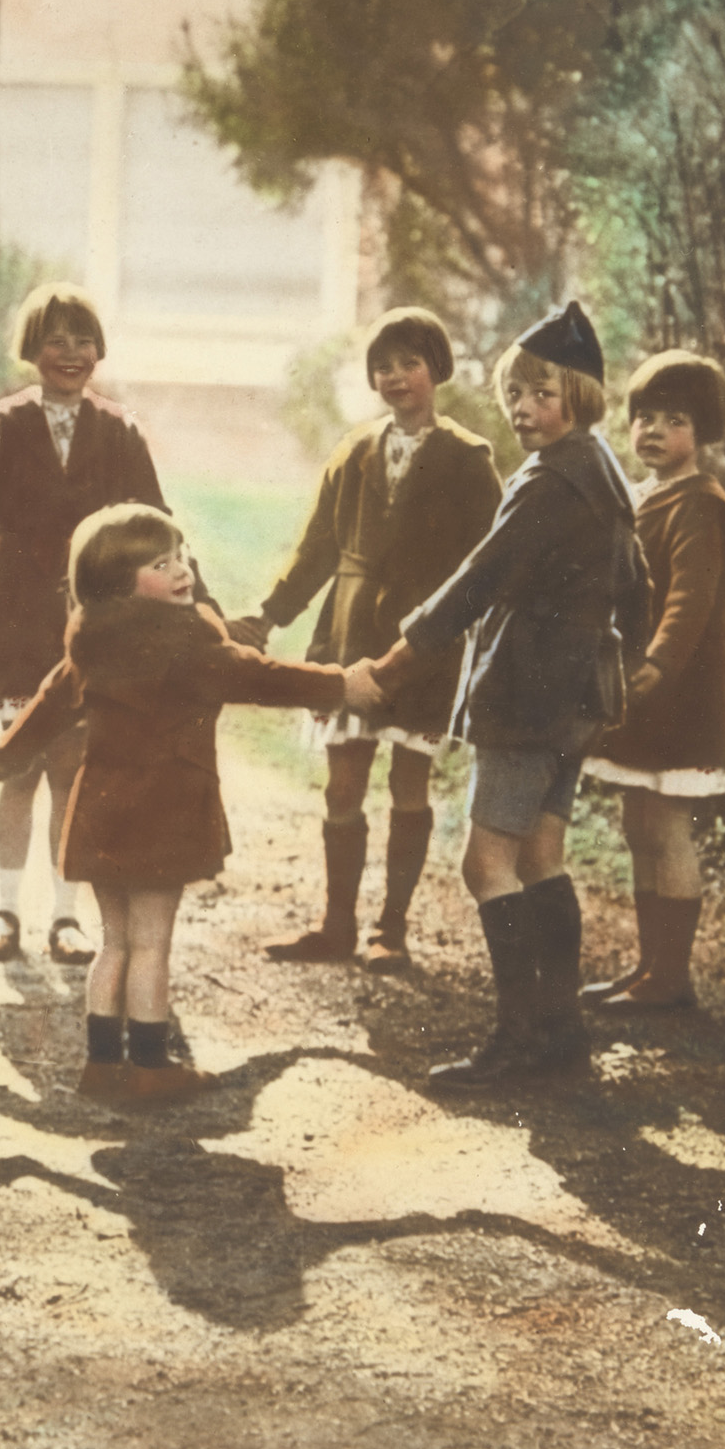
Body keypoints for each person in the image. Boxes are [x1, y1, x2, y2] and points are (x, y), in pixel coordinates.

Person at [0, 503, 367, 1108]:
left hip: (100, 812)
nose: (183, 570)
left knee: (115, 942)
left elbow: (50, 703)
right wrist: (343, 684)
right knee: (152, 943)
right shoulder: (187, 645)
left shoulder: (91, 642)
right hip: (163, 812)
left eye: (181, 556)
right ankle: (151, 1066)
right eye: (162, 563)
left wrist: (4, 753)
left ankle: (102, 1065)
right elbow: (264, 677)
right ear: (118, 581)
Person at [364, 301, 649, 1086]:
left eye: (541, 394)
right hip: (577, 698)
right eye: (514, 394)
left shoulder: (550, 480)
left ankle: (523, 1041)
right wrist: (628, 660)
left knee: (486, 863)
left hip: (527, 698)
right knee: (541, 857)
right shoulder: (602, 470)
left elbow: (480, 578)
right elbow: (637, 586)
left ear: (580, 398)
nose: (524, 409)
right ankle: (561, 1037)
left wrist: (395, 661)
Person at [0, 282, 191, 969]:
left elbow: (155, 522)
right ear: (33, 349)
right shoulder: (3, 425)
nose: (71, 353)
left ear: (99, 350)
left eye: (83, 340)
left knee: (73, 772)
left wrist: (194, 601)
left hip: (87, 625)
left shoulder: (118, 431)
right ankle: (4, 910)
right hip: (10, 620)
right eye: (56, 341)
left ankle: (65, 915)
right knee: (16, 768)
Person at [230, 308, 500, 970]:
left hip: (423, 648)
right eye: (383, 365)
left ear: (437, 369)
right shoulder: (354, 451)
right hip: (349, 635)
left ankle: (392, 930)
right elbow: (316, 547)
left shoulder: (468, 458)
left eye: (410, 362)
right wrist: (270, 616)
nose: (396, 377)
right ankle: (336, 925)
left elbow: (490, 560)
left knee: (411, 783)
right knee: (343, 784)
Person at [581, 351, 725, 1011]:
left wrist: (655, 669)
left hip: (679, 688)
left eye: (672, 421)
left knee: (667, 824)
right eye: (644, 418)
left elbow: (690, 602)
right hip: (639, 687)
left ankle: (671, 978)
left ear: (699, 433)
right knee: (638, 825)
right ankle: (649, 969)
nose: (652, 432)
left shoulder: (701, 505)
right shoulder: (644, 496)